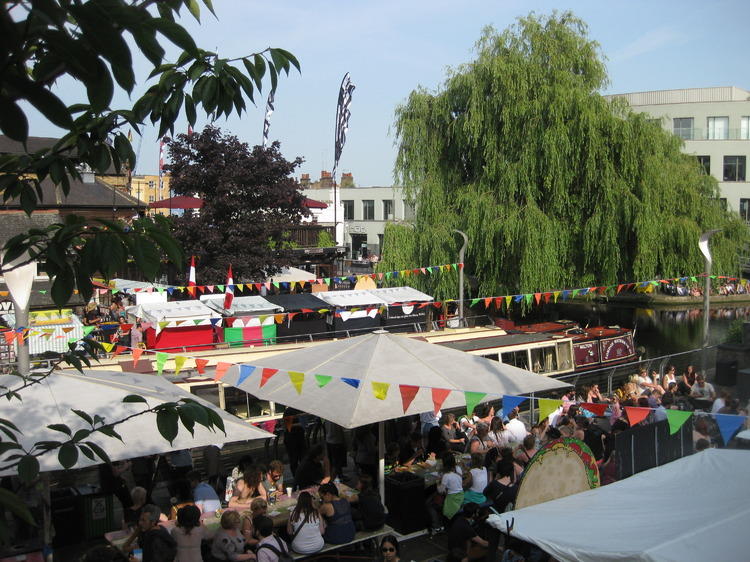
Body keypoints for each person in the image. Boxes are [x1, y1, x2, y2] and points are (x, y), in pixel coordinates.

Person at [438, 452, 466, 521]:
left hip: (453, 498)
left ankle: (441, 523)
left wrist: (437, 482)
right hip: (461, 495)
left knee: (435, 501)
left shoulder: (446, 475)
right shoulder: (458, 468)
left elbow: (441, 491)